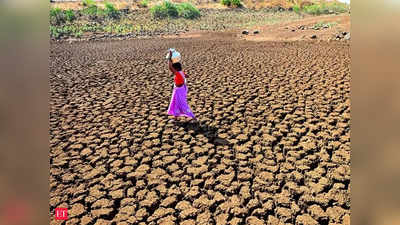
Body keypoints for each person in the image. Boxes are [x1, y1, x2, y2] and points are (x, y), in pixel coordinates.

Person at [166, 50, 197, 123]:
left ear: (176, 69)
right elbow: (186, 76)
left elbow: (170, 68)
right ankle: (175, 117)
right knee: (175, 103)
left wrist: (169, 58)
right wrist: (185, 76)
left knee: (183, 104)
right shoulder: (181, 72)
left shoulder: (178, 74)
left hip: (179, 90)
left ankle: (193, 117)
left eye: (174, 69)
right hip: (179, 90)